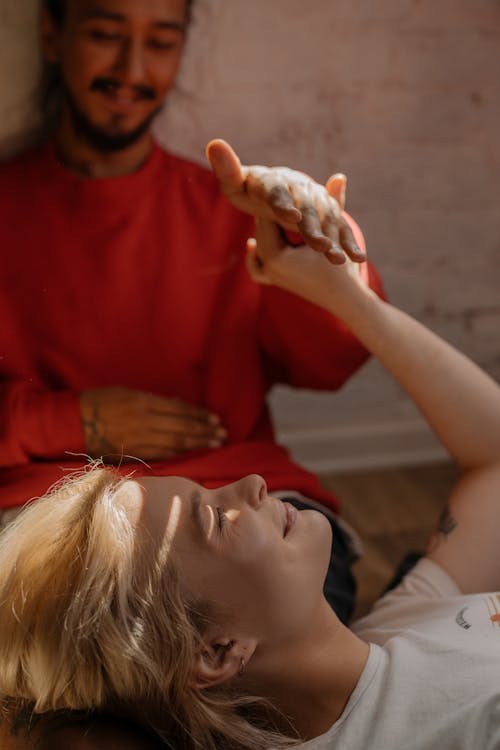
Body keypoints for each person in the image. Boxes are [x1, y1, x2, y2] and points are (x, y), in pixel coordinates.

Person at [2, 214, 500, 750]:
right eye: (214, 519)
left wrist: (349, 301)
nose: (254, 483)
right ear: (218, 650)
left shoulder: (399, 623)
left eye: (210, 493)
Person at [0, 0, 385, 622]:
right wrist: (66, 423)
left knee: (286, 656)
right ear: (52, 34)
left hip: (232, 492)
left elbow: (334, 361)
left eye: (160, 41)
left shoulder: (234, 208)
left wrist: (310, 241)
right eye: (105, 34)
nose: (131, 68)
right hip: (50, 511)